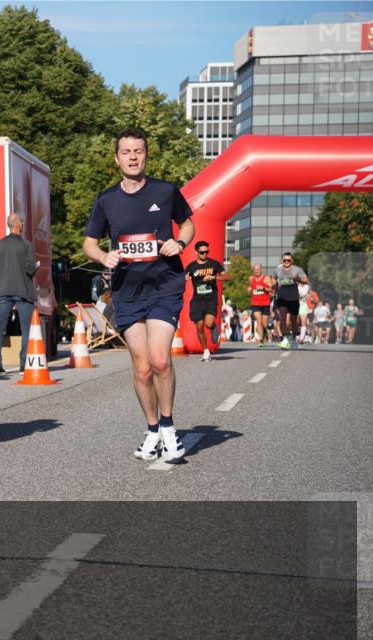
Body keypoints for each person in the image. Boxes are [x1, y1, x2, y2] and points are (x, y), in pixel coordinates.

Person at [83, 127, 195, 462]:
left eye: (139, 151)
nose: (133, 157)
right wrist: (104, 256)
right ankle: (151, 430)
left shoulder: (165, 191)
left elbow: (188, 223)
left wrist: (181, 241)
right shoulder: (106, 200)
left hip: (164, 286)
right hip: (127, 291)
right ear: (117, 158)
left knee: (161, 359)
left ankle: (169, 428)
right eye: (127, 152)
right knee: (142, 366)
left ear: (146, 155)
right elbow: (89, 243)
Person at [0, 213, 37, 374]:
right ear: (19, 225)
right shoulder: (26, 245)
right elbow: (30, 269)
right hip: (23, 291)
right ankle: (24, 364)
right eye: (22, 223)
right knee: (26, 329)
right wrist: (36, 266)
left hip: (3, 291)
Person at [184, 240, 229, 361]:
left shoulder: (214, 264)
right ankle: (206, 351)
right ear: (196, 252)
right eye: (202, 252)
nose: (204, 254)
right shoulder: (191, 266)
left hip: (211, 298)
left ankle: (213, 327)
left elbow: (227, 276)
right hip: (197, 299)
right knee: (199, 326)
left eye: (206, 252)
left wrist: (214, 277)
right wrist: (184, 278)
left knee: (208, 324)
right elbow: (183, 277)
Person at [273, 252, 308, 350]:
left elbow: (306, 280)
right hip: (282, 297)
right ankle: (285, 339)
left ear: (292, 261)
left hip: (293, 298)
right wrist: (273, 288)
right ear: (282, 261)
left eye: (288, 260)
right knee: (282, 318)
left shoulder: (297, 269)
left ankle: (294, 338)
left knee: (293, 320)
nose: (286, 262)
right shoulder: (278, 270)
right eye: (284, 260)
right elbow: (274, 281)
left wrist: (297, 279)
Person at [247, 263, 273, 347]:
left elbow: (271, 290)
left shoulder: (266, 278)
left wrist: (263, 288)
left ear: (261, 269)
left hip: (265, 303)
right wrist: (249, 289)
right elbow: (250, 289)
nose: (256, 271)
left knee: (264, 324)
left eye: (258, 269)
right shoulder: (251, 278)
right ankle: (261, 340)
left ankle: (265, 331)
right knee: (258, 321)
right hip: (255, 303)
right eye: (255, 269)